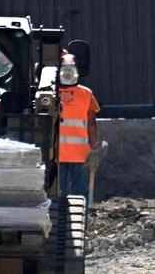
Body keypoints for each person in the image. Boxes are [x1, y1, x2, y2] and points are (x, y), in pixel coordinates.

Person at [57, 51, 101, 202]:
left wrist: (95, 152)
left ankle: (59, 221)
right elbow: (92, 125)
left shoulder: (48, 93)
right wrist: (95, 150)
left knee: (57, 194)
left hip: (56, 154)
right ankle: (78, 221)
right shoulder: (86, 93)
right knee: (78, 196)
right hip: (79, 154)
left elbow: (92, 125)